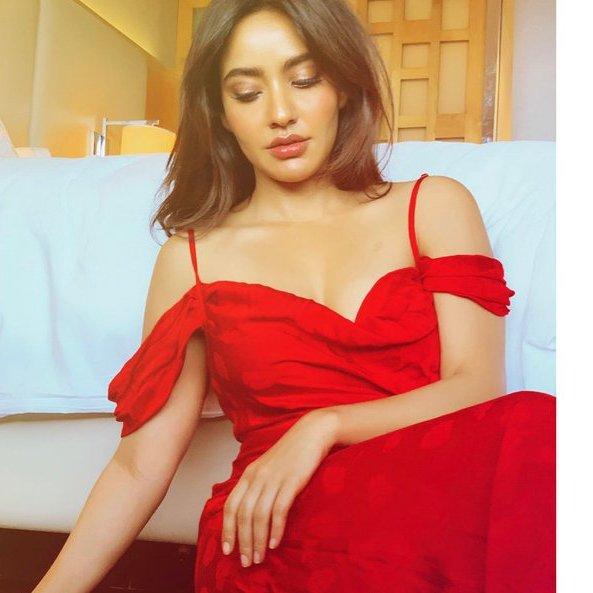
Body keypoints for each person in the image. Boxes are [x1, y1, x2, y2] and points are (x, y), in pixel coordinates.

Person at [33, 1, 555, 592]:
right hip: (280, 531)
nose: (281, 113)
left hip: (432, 506)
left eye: (304, 80)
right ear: (220, 113)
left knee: (541, 426)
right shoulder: (192, 257)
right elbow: (138, 466)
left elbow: (477, 385)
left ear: (343, 86)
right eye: (247, 93)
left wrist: (322, 427)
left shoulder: (433, 206)